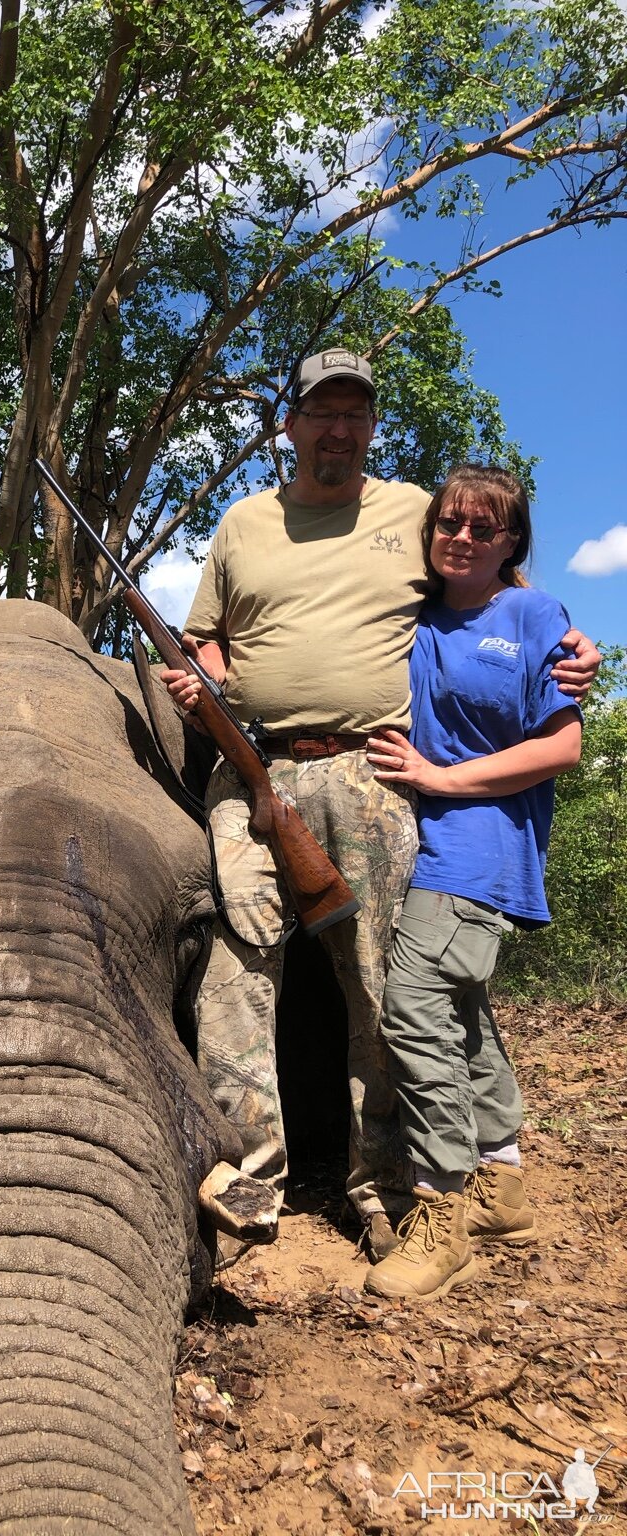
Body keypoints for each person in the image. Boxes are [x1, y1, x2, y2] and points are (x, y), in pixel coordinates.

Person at [161, 347, 598, 1259]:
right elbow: (209, 644)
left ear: (371, 427)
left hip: (372, 774)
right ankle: (248, 1185)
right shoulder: (242, 523)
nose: (339, 429)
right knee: (235, 974)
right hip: (253, 777)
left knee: (380, 987)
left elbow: (492, 579)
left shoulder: (412, 512)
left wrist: (568, 642)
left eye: (356, 414)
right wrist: (200, 680)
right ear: (290, 425)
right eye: (323, 411)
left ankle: (388, 1186)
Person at [362, 465, 581, 1299]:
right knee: (459, 1008)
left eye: (482, 528)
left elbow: (562, 747)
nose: (460, 536)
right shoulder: (412, 615)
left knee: (414, 1003)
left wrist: (437, 779)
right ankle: (505, 1185)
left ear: (511, 543)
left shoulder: (530, 614)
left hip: (481, 845)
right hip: (421, 843)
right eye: (448, 522)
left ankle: (442, 1207)